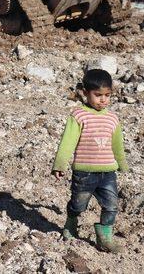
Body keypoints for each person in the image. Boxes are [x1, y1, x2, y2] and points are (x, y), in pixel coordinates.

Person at [51, 69, 128, 253]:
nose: (103, 100)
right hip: (84, 173)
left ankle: (105, 238)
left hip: (108, 172)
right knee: (78, 204)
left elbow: (117, 144)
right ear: (85, 93)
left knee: (111, 205)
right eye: (98, 95)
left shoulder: (112, 119)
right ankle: (71, 222)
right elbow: (67, 142)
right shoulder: (78, 116)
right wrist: (60, 164)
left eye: (107, 95)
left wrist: (122, 163)